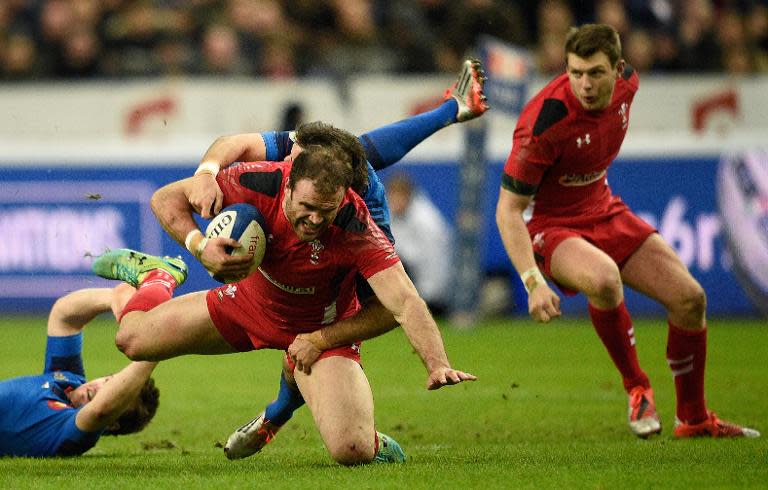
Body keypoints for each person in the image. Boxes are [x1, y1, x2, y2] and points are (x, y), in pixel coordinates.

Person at [93, 144, 476, 466]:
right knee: (131, 339)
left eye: (326, 210)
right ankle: (157, 275)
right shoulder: (256, 182)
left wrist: (436, 363)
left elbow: (401, 305)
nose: (314, 219)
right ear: (288, 185)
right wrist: (198, 246)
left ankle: (303, 416)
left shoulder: (357, 228)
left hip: (317, 333)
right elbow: (166, 199)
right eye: (307, 206)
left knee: (352, 450)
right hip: (245, 305)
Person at [182, 59, 488, 459]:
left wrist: (436, 363)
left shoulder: (362, 213)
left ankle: (282, 411)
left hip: (351, 264)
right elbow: (234, 143)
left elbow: (402, 303)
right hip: (305, 252)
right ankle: (280, 409)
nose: (288, 161)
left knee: (354, 321)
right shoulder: (314, 155)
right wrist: (206, 171)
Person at [495, 23, 759, 439]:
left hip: (605, 208)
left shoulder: (629, 86)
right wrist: (532, 282)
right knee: (604, 279)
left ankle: (692, 419)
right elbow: (508, 211)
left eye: (595, 73)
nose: (584, 84)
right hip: (551, 225)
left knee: (690, 300)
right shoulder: (543, 123)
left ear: (618, 69)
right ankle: (637, 387)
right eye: (575, 72)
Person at [0, 263, 185, 457]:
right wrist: (114, 299)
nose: (100, 388)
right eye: (108, 381)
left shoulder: (71, 431)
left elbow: (101, 410)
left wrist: (155, 344)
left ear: (112, 423)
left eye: (114, 391)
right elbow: (64, 317)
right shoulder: (69, 379)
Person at [386, 173, 454, 315]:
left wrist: (426, 297)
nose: (393, 202)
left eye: (398, 197)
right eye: (392, 197)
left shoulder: (427, 222)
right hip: (410, 285)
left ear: (408, 196)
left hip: (431, 295)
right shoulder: (392, 216)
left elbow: (435, 263)